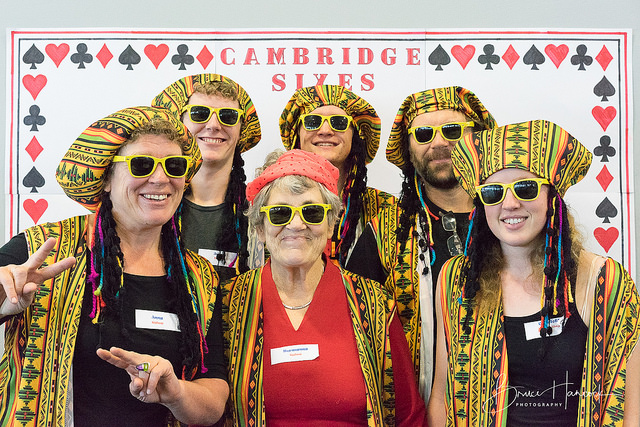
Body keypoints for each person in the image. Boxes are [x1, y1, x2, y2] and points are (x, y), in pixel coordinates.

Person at [0, 107, 228, 426]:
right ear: (106, 178)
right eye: (141, 164)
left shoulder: (199, 278)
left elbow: (213, 397)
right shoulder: (44, 248)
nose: (160, 178)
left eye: (174, 166)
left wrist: (177, 393)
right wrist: (4, 294)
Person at [428, 119, 640, 426]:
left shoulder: (604, 282)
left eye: (525, 189)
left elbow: (629, 407)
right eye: (493, 192)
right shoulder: (456, 281)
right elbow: (441, 396)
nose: (509, 203)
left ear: (551, 196)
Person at [223, 149, 426, 425]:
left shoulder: (375, 304)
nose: (296, 224)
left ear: (331, 224)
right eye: (280, 213)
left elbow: (408, 415)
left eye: (312, 212)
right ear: (260, 229)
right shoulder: (229, 303)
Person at [347, 86, 496, 402]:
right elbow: (357, 337)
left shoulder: (512, 219)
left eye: (452, 130)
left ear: (478, 140)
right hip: (415, 410)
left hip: (509, 406)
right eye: (424, 133)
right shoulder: (384, 233)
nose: (439, 142)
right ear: (408, 147)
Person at [152, 73, 262, 280]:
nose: (213, 125)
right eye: (199, 113)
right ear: (178, 125)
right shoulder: (149, 207)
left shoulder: (263, 212)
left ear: (242, 129)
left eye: (228, 116)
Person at [279, 85, 395, 266]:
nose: (325, 130)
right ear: (297, 136)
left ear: (356, 137)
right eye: (312, 121)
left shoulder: (387, 210)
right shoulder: (273, 206)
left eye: (339, 122)